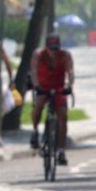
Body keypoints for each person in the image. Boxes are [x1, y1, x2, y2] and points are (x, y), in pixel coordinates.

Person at [29, 33, 75, 166]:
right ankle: (35, 130)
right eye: (51, 49)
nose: (53, 52)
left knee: (63, 115)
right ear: (46, 47)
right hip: (43, 86)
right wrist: (36, 86)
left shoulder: (65, 55)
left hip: (59, 87)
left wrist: (70, 86)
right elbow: (33, 71)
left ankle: (61, 150)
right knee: (38, 105)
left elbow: (70, 71)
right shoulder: (39, 55)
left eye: (55, 48)